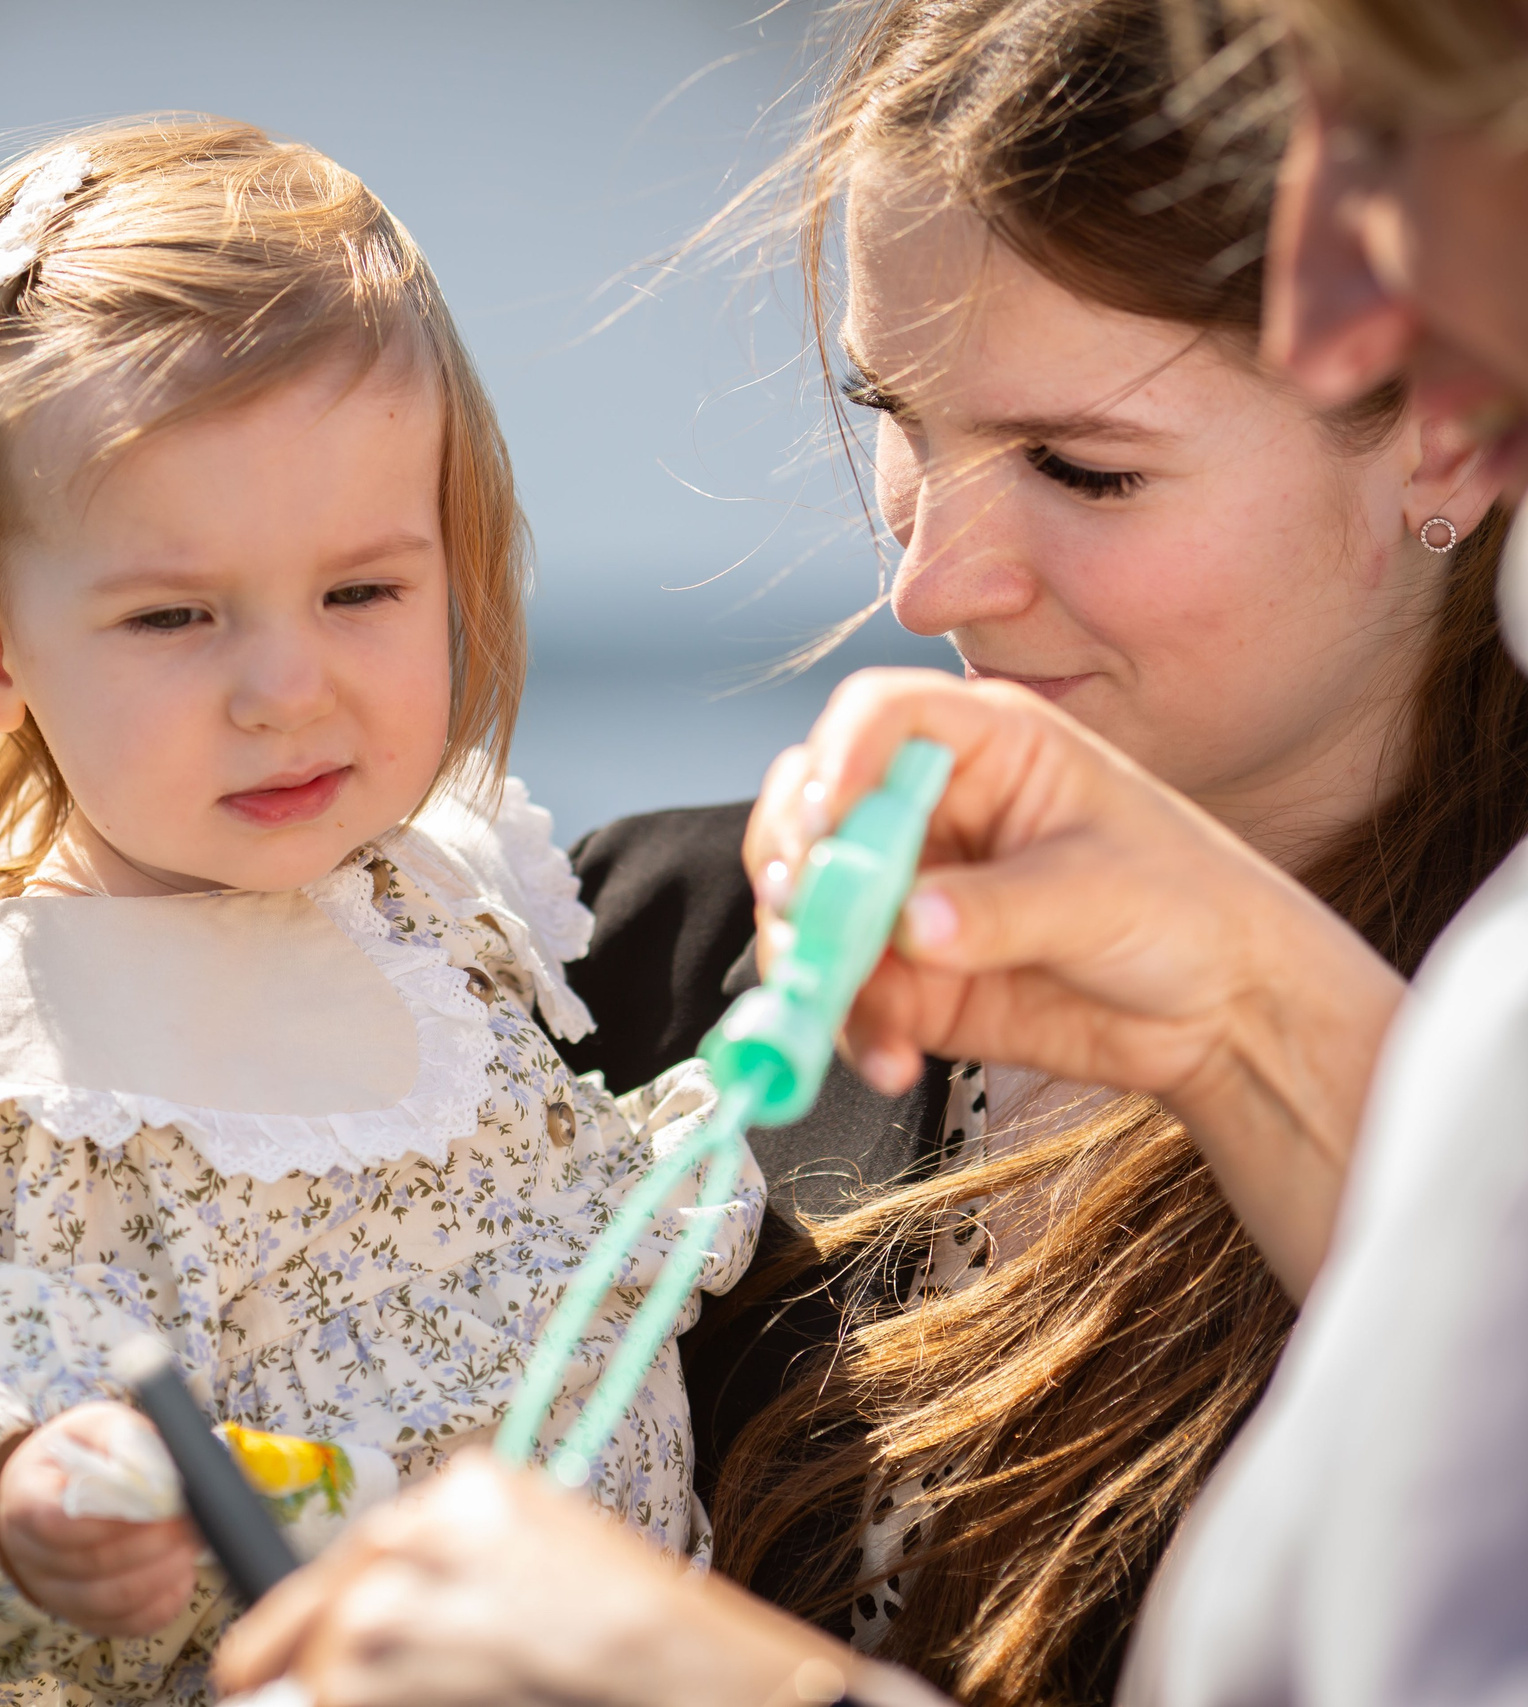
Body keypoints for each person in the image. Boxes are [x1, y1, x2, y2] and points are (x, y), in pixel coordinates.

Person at [211, 0, 1528, 1700]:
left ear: (1447, 416)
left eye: (1081, 466)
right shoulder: (629, 947)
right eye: (897, 413)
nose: (927, 579)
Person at [0, 119, 764, 1707]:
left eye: (362, 592)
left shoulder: (427, 900)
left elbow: (518, 1200)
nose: (284, 687)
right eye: (176, 613)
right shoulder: (27, 1043)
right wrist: (25, 1487)